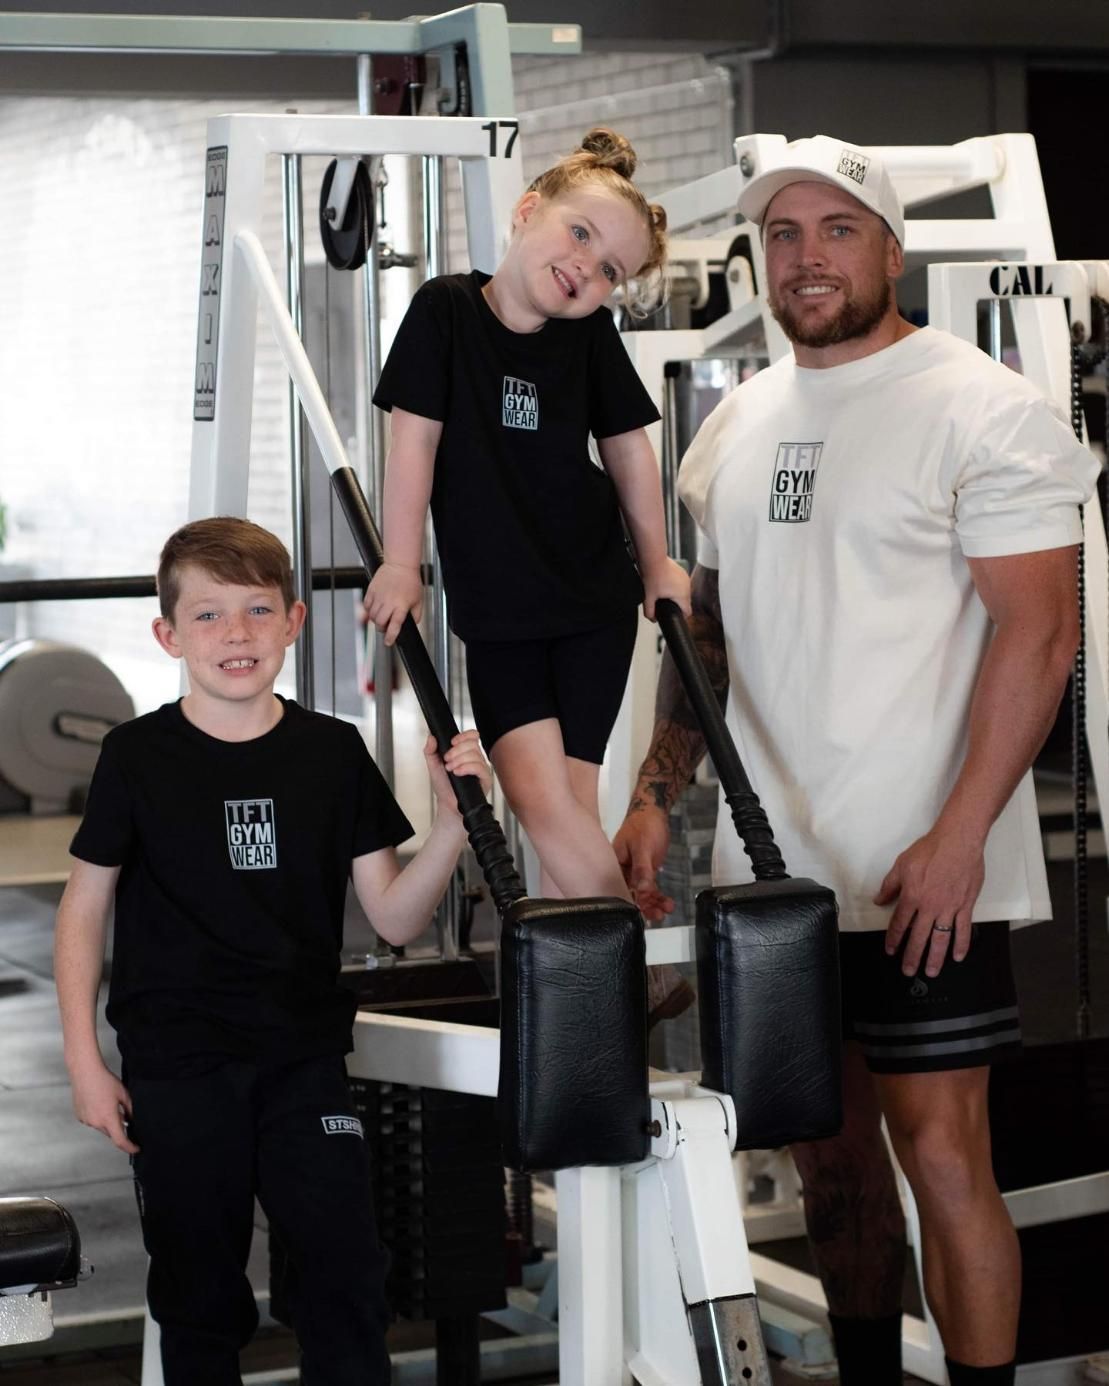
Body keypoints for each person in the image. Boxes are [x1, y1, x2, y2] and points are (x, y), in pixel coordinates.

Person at [614, 135, 1099, 1386]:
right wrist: (658, 798)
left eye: (836, 231)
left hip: (920, 866)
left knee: (941, 1157)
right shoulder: (732, 424)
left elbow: (1040, 633)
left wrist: (957, 839)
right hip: (771, 875)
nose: (806, 257)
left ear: (888, 249)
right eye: (782, 235)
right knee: (822, 1159)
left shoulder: (981, 408)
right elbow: (703, 637)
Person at [55, 516, 490, 1386]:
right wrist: (83, 1063)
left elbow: (395, 917)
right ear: (168, 635)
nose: (237, 635)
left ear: (294, 622)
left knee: (344, 1278)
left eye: (258, 610)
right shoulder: (135, 756)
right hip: (178, 1063)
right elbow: (82, 909)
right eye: (209, 616)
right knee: (199, 1290)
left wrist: (450, 826)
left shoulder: (331, 752)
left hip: (301, 1060)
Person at [364, 127, 692, 1021]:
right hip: (500, 608)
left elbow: (627, 449)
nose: (589, 270)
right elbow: (412, 443)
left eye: (613, 271)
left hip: (592, 596)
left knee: (565, 813)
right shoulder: (444, 311)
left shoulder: (585, 343)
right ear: (526, 213)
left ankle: (585, 1009)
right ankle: (633, 965)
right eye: (581, 236)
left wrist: (657, 559)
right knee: (548, 806)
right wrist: (401, 562)